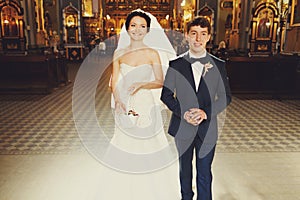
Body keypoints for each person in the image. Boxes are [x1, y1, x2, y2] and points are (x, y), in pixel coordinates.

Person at [97, 9, 180, 200]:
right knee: (124, 143)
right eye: (133, 25)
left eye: (142, 26)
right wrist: (119, 101)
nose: (137, 30)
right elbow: (114, 81)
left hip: (146, 104)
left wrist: (141, 84)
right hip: (124, 103)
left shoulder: (152, 53)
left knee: (149, 143)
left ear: (148, 30)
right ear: (127, 28)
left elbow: (160, 81)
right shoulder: (119, 53)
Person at [161, 16, 232, 200]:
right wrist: (182, 113)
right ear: (187, 36)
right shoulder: (176, 65)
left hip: (207, 129)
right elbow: (166, 95)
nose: (198, 39)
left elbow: (226, 97)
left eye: (203, 34)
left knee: (204, 173)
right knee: (185, 171)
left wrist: (205, 113)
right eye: (194, 34)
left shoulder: (218, 65)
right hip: (182, 127)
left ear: (209, 37)